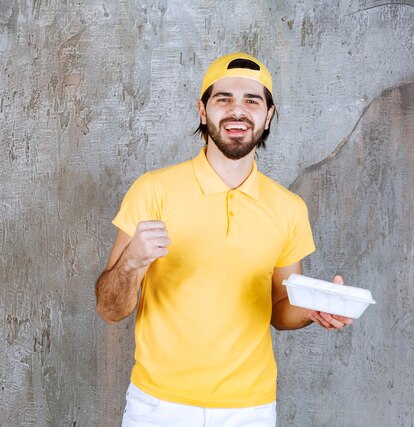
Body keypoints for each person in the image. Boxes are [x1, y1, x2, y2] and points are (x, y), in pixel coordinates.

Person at [95, 52, 353, 427]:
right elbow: (109, 308)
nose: (238, 111)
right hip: (157, 405)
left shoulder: (289, 208)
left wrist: (316, 309)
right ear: (203, 111)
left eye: (252, 100)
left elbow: (281, 308)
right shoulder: (153, 191)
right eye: (223, 98)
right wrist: (132, 260)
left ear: (268, 116)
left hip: (249, 410)